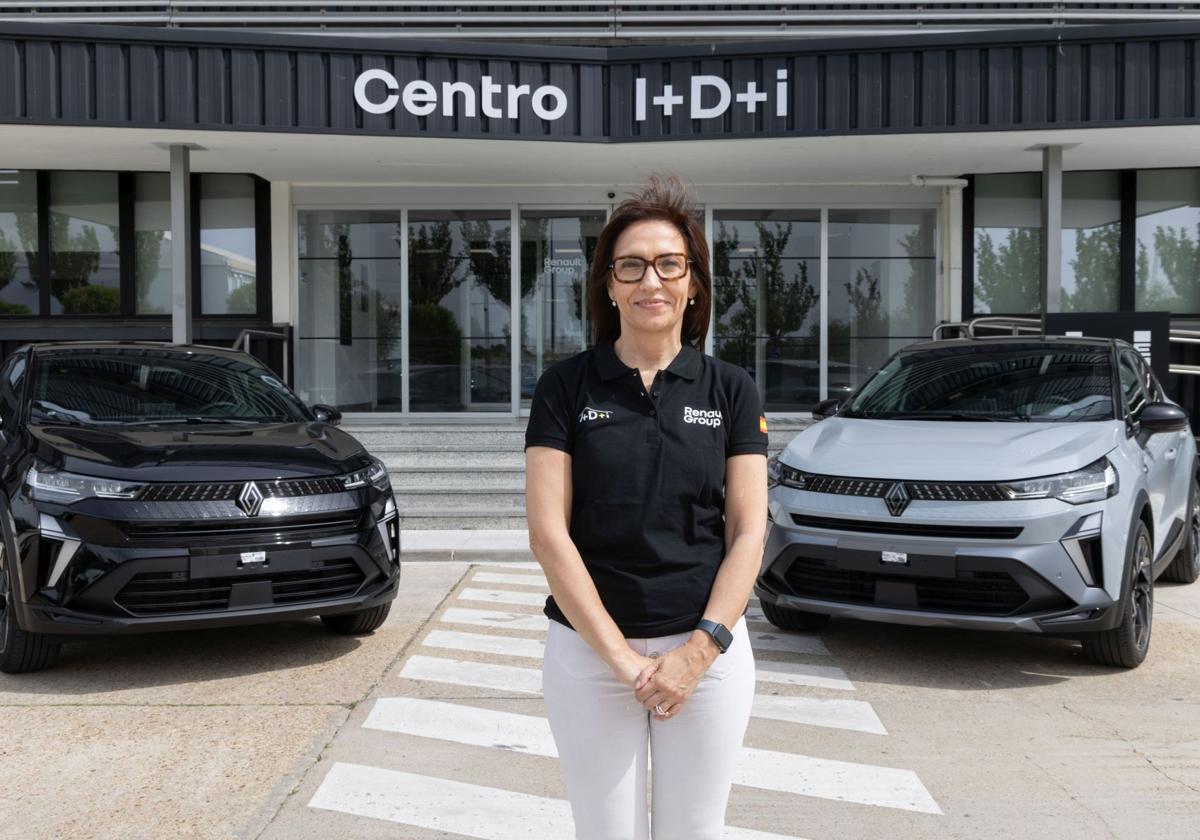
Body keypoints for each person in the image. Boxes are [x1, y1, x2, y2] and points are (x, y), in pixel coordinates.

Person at [524, 174, 769, 840]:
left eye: (669, 264)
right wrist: (623, 661)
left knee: (695, 832)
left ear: (693, 284)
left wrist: (698, 651)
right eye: (630, 266)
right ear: (608, 284)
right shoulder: (565, 387)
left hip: (709, 654)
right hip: (588, 656)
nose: (650, 281)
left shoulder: (732, 389)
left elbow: (749, 531)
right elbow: (549, 534)